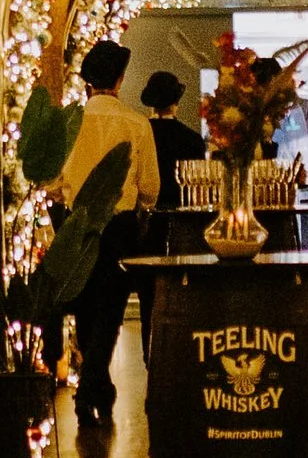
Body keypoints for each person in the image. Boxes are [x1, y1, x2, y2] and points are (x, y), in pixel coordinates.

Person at [57, 39, 159, 428]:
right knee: (111, 309)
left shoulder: (69, 123)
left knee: (85, 306)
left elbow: (51, 180)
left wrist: (66, 192)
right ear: (119, 80)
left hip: (77, 223)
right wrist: (141, 206)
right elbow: (150, 187)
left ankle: (96, 386)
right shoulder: (136, 124)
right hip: (119, 226)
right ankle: (93, 388)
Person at [138, 68, 206, 223]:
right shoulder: (192, 139)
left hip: (144, 218)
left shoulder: (139, 134)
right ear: (176, 102)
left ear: (150, 103)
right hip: (183, 219)